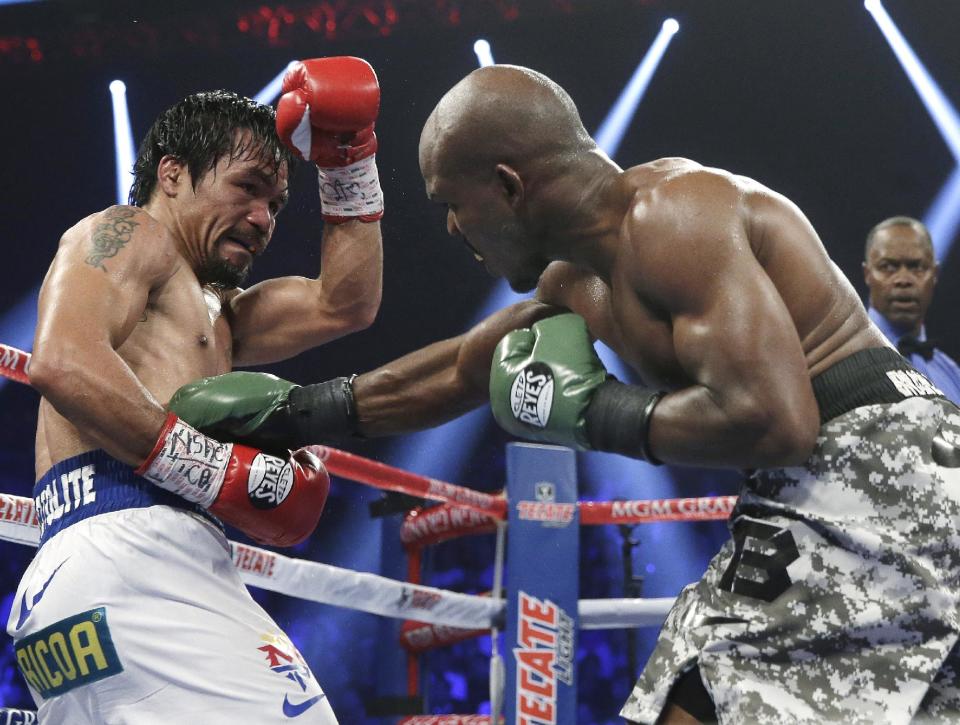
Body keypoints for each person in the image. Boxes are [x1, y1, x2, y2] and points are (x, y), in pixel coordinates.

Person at [168, 65, 960, 723]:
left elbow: (777, 419)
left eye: (453, 201)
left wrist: (595, 410)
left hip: (871, 469)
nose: (451, 227)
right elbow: (460, 372)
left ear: (510, 186)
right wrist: (293, 412)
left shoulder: (676, 217)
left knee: (701, 681)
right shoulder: (579, 280)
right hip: (865, 486)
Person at [6, 56, 385, 724]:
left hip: (77, 586)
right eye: (247, 188)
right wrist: (207, 467)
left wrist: (346, 161)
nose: (264, 216)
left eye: (275, 203)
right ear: (172, 173)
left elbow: (344, 302)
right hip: (130, 554)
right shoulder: (128, 234)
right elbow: (61, 360)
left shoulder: (222, 312)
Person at [863, 215, 960, 404]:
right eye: (888, 267)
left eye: (917, 267)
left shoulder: (953, 374)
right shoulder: (840, 359)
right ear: (867, 275)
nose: (903, 279)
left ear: (935, 274)